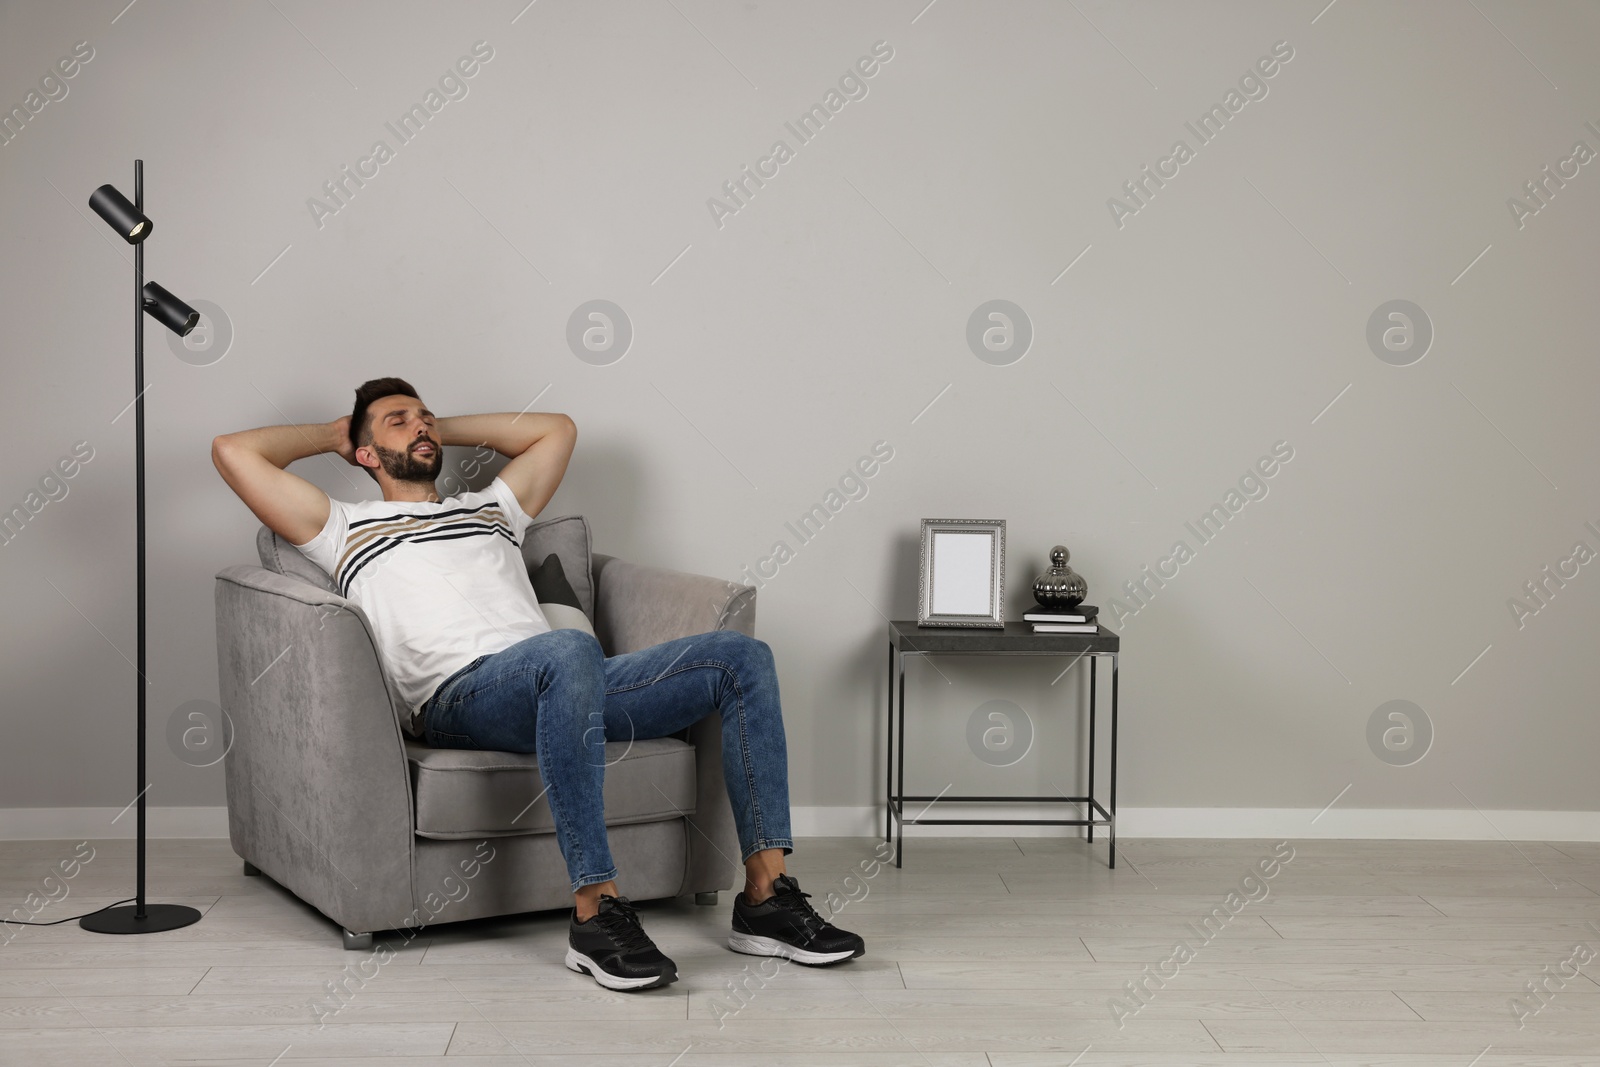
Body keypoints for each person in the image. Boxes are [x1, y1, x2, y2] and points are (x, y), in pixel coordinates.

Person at [211, 377, 863, 990]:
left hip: (570, 679)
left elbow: (557, 429)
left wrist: (436, 427)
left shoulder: (490, 509)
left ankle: (765, 897)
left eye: (425, 415)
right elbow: (232, 451)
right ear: (363, 450)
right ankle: (594, 911)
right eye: (399, 420)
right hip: (462, 697)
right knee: (566, 652)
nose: (421, 425)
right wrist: (336, 433)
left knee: (740, 657)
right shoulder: (341, 527)